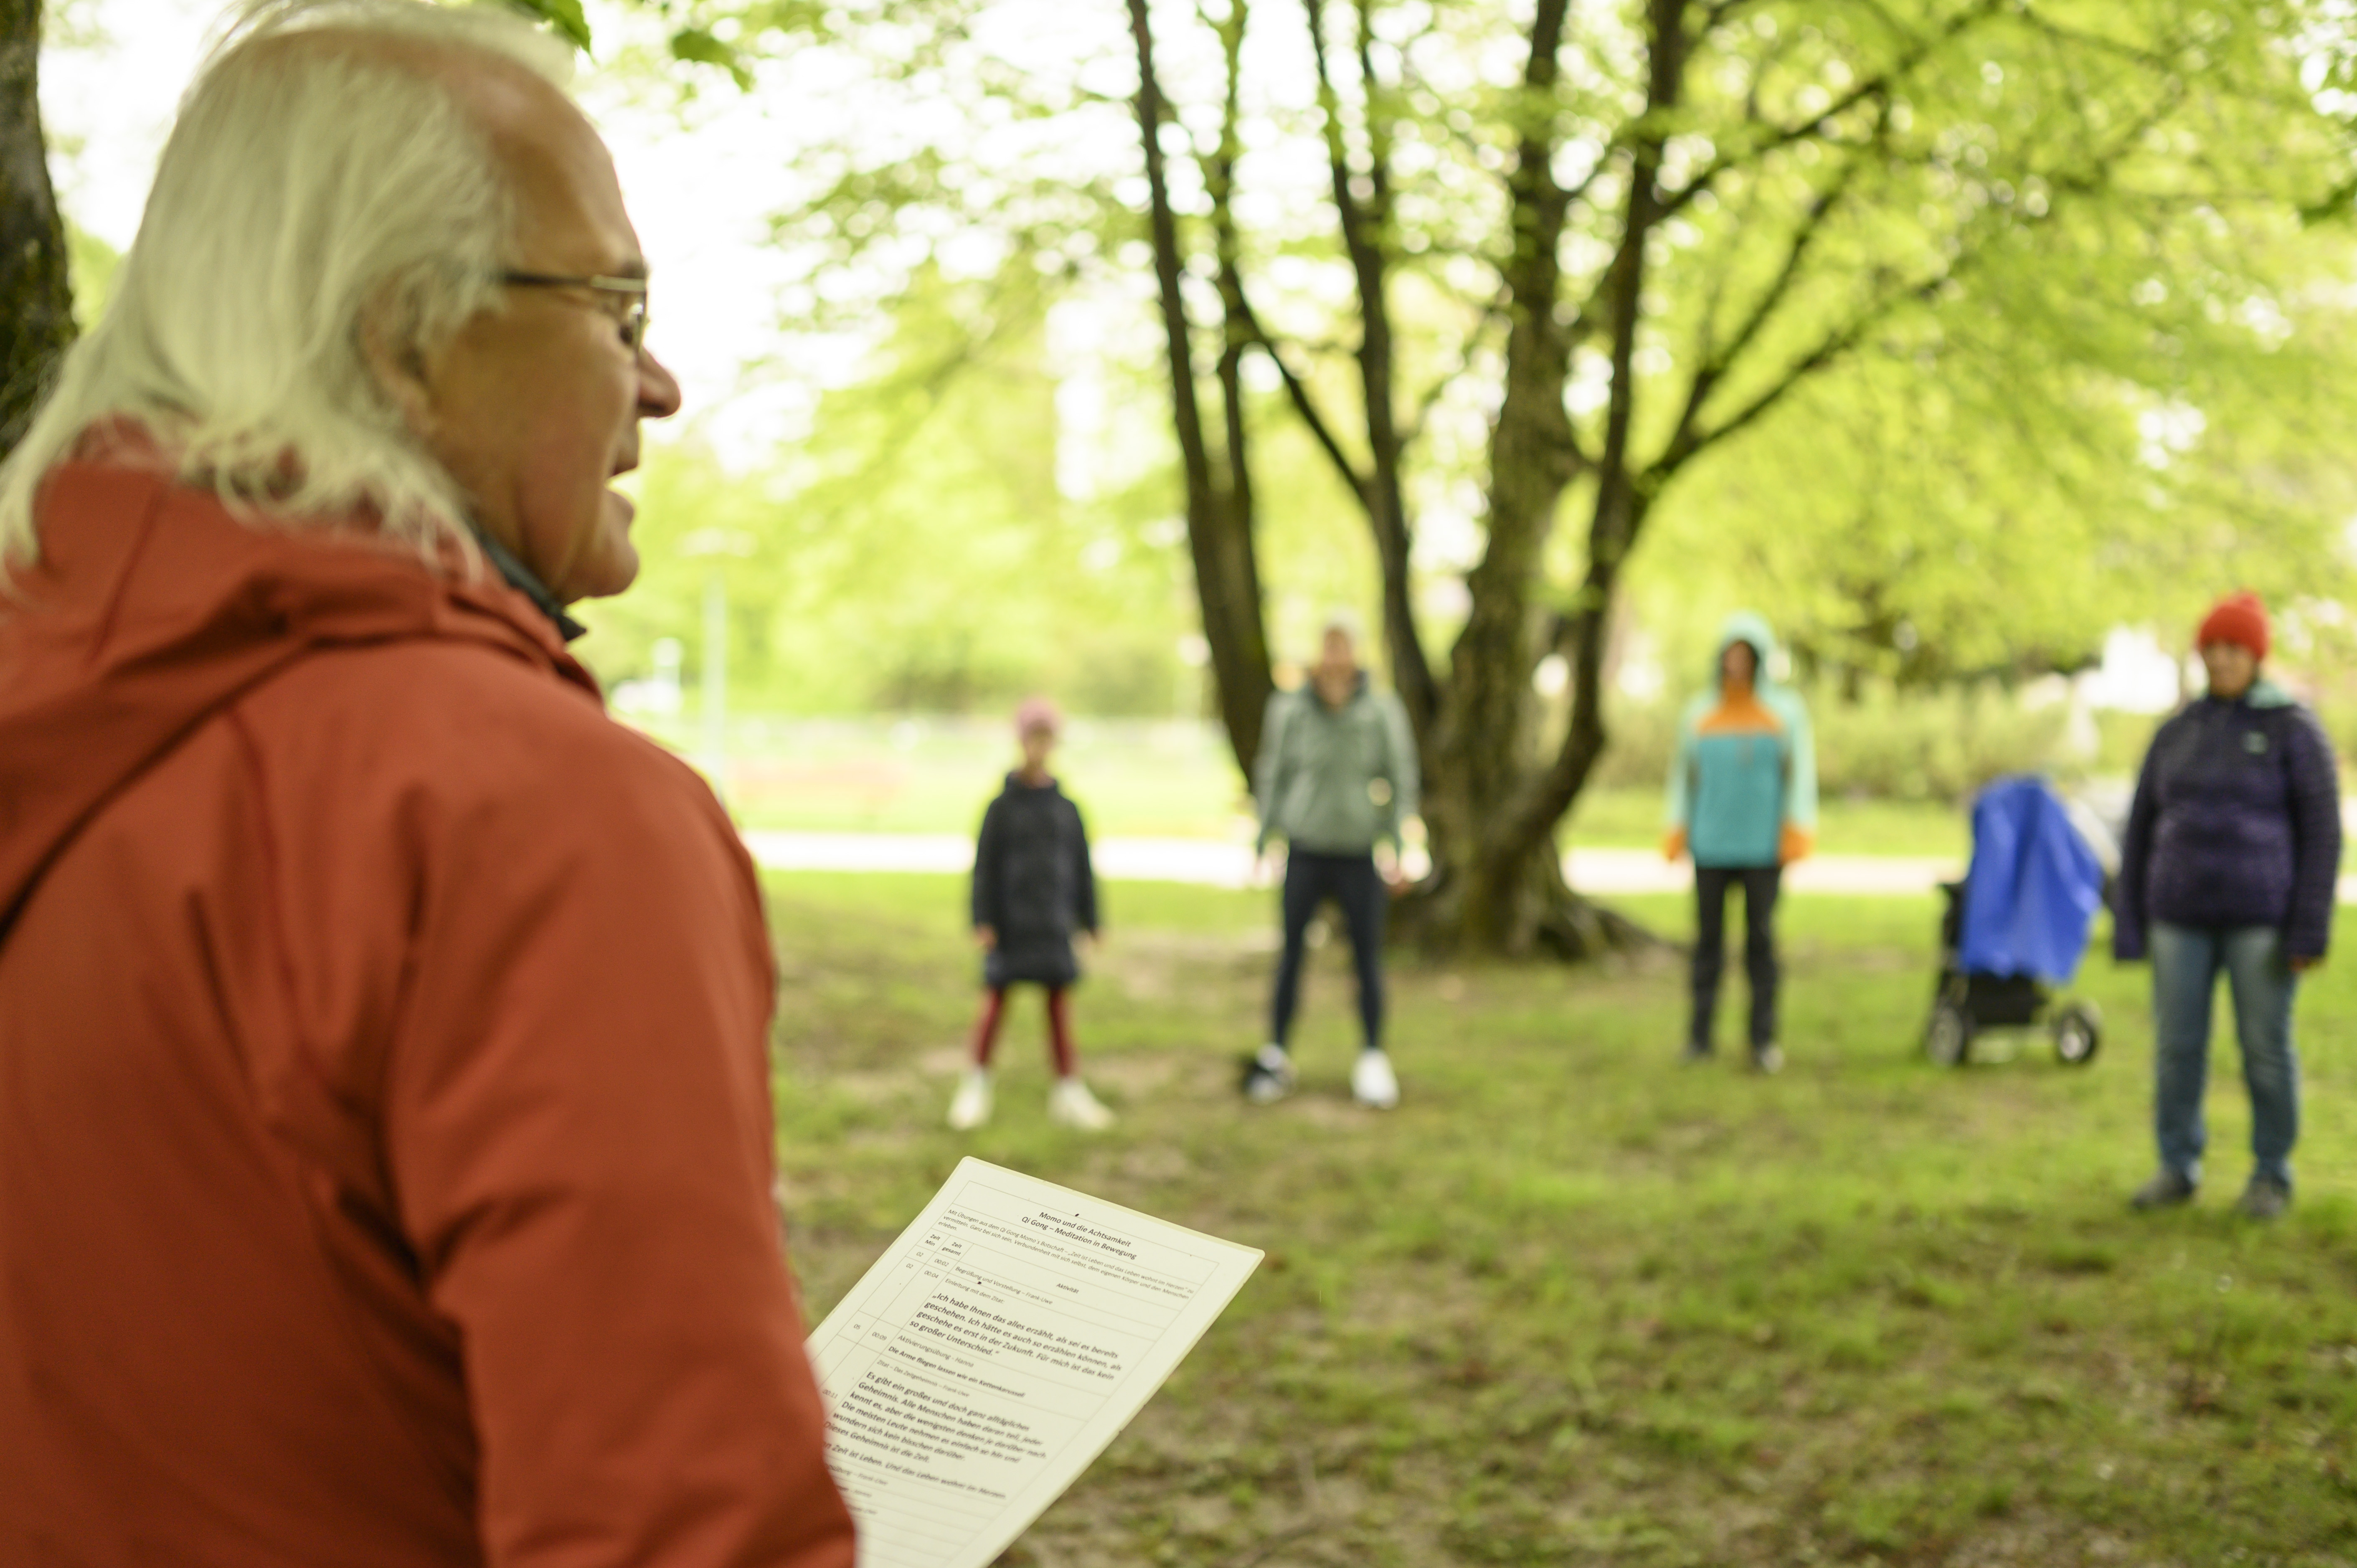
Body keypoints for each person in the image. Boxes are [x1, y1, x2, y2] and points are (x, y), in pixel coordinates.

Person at [0, 5, 855, 1563]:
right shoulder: (521, 810)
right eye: (618, 307)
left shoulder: (57, 705)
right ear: (405, 340)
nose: (661, 384)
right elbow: (682, 1526)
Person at [2115, 590, 2341, 1221]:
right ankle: (2176, 1166)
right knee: (2176, 1049)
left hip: (2261, 921)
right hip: (2177, 916)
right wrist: (2130, 922)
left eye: (2232, 647)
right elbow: (2139, 828)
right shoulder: (2176, 731)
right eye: (2211, 646)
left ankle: (2270, 1175)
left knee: (2264, 1050)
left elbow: (2322, 834)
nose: (2220, 658)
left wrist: (2308, 930)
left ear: (2255, 654)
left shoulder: (2293, 728)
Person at [1242, 610, 1420, 1109]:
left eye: (1344, 644)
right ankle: (1276, 1053)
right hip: (1305, 849)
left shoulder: (1381, 709)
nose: (1336, 655)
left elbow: (1400, 778)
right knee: (1291, 954)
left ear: (1356, 651)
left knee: (1367, 956)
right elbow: (1274, 773)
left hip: (1359, 853)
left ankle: (1373, 1056)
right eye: (1329, 644)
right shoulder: (1290, 707)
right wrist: (1263, 840)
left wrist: (1398, 847)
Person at [947, 696, 1116, 1131]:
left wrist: (1091, 920)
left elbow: (1082, 868)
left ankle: (1068, 1089)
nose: (1039, 746)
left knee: (1059, 1008)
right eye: (1033, 737)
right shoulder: (1000, 808)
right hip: (1011, 926)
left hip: (1053, 925)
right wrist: (982, 920)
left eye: (1047, 738)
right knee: (995, 1003)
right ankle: (976, 1084)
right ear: (1020, 740)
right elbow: (984, 869)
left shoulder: (1067, 809)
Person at [1664, 611, 1818, 1074]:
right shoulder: (1699, 713)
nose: (1736, 664)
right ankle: (1699, 1038)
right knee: (1707, 944)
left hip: (1763, 849)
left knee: (1761, 943)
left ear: (1759, 659)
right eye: (1730, 655)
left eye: (1745, 655)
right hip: (1711, 845)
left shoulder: (1785, 713)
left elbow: (1800, 775)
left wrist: (1796, 828)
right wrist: (1676, 826)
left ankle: (1763, 1039)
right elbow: (1682, 777)